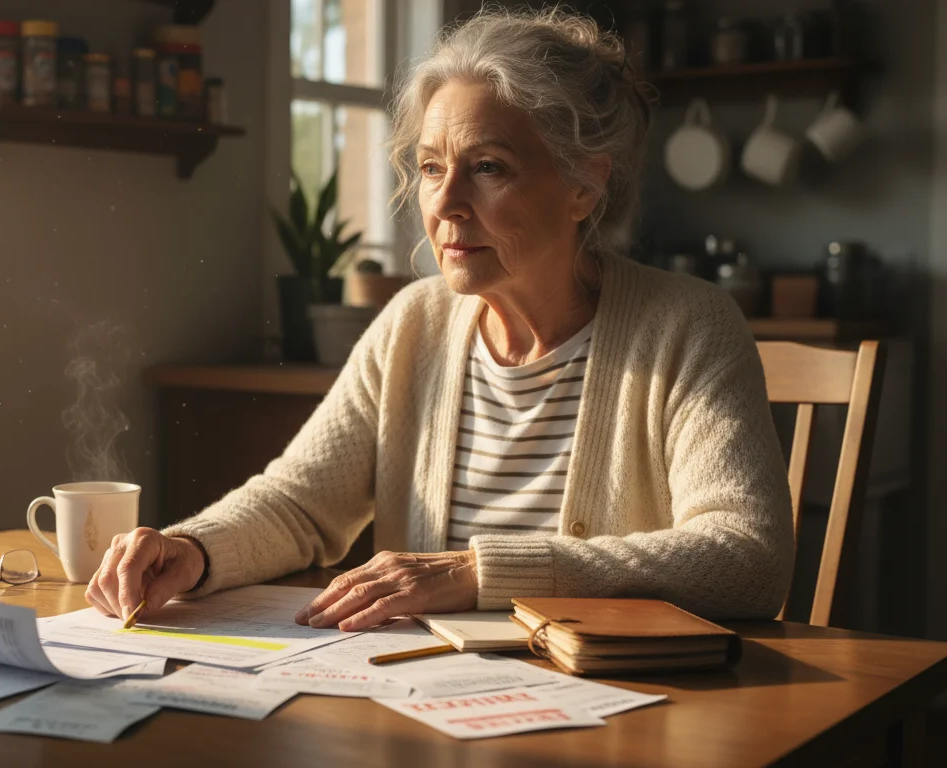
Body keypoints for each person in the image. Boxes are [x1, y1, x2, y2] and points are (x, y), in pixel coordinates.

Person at [85, 8, 794, 631]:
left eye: (487, 167)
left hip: (617, 716)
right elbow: (299, 504)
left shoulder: (690, 325)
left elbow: (746, 558)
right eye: (430, 167)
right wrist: (193, 548)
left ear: (585, 183)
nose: (445, 204)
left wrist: (479, 574)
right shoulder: (413, 324)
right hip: (422, 707)